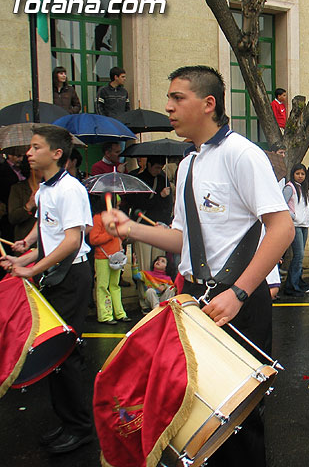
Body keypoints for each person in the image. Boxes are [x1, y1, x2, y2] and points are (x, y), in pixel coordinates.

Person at [100, 65, 294, 467]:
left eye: (177, 98)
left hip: (239, 300)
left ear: (209, 104)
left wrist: (239, 293)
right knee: (196, 413)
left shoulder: (242, 154)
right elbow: (183, 240)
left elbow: (282, 228)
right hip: (195, 300)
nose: (168, 107)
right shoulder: (188, 164)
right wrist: (132, 228)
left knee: (239, 421)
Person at [0, 125, 93, 454]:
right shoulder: (43, 191)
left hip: (72, 276)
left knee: (66, 353)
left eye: (36, 147)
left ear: (56, 154)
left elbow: (72, 241)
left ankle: (80, 428)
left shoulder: (71, 190)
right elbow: (47, 234)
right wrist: (26, 247)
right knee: (53, 355)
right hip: (52, 274)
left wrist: (30, 269)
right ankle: (67, 423)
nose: (28, 152)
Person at [89, 197, 131, 324]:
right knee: (103, 286)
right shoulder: (97, 218)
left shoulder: (115, 218)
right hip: (103, 256)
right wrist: (111, 233)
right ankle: (105, 315)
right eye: (116, 205)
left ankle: (119, 313)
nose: (117, 208)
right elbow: (93, 239)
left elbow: (121, 236)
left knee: (115, 285)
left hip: (116, 255)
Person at [282, 163, 309, 297]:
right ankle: (292, 286)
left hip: (304, 224)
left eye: (302, 174)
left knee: (299, 256)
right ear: (293, 174)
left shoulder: (303, 187)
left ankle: (297, 282)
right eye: (297, 173)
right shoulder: (290, 188)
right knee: (299, 255)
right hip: (295, 224)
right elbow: (282, 204)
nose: (300, 176)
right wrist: (293, 216)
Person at [7, 166, 42, 240]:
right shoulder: (18, 188)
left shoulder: (49, 188)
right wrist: (29, 206)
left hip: (45, 239)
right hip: (25, 238)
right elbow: (13, 218)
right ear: (32, 169)